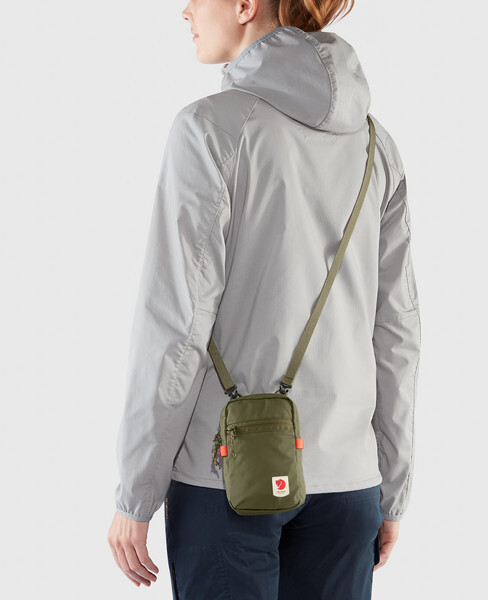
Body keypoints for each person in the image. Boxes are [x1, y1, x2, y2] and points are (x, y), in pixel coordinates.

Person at [107, 0, 422, 598]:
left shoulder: (210, 129)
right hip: (349, 483)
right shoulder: (377, 145)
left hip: (228, 477)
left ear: (245, 5)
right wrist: (392, 487)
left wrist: (135, 492)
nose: (184, 11)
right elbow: (397, 331)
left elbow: (177, 325)